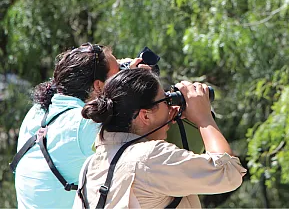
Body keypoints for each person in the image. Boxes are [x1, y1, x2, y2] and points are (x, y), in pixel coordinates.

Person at [73, 68, 246, 208]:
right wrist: (203, 117)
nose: (171, 107)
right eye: (165, 101)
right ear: (145, 116)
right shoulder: (150, 157)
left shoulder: (90, 166)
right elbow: (229, 173)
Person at [13, 43, 145, 208]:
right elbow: (145, 153)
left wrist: (117, 71)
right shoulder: (85, 124)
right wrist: (137, 86)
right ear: (98, 86)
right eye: (117, 74)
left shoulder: (37, 111)